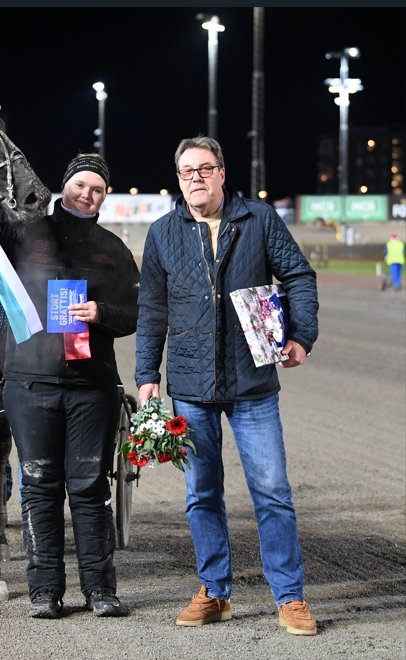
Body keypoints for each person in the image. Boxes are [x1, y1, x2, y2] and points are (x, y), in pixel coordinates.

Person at [135, 136, 320, 636]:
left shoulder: (257, 219)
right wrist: (147, 376)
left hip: (252, 382)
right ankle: (215, 592)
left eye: (205, 168)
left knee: (273, 492)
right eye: (187, 171)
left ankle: (290, 597)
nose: (196, 177)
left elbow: (299, 276)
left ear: (221, 173)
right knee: (201, 492)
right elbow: (152, 310)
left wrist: (301, 335)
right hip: (191, 387)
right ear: (178, 179)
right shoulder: (163, 233)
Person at [1, 153, 139, 619]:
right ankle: (44, 591)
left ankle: (100, 589)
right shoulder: (25, 233)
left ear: (105, 197)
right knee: (39, 485)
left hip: (92, 386)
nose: (88, 194)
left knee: (89, 487)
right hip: (29, 381)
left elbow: (136, 315)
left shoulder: (113, 249)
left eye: (97, 189)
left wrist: (102, 313)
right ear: (65, 186)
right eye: (81, 184)